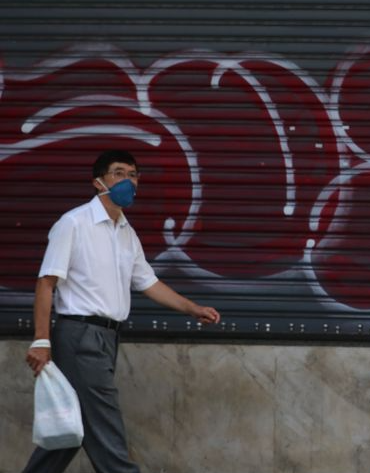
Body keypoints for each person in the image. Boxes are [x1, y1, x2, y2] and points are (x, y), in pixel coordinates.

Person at [23, 149, 221, 473]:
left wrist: (192, 308)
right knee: (107, 433)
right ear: (98, 181)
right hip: (79, 336)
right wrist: (41, 341)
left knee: (72, 432)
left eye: (133, 174)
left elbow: (148, 283)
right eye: (119, 173)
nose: (127, 181)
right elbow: (46, 283)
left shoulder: (127, 234)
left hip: (107, 338)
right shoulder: (73, 223)